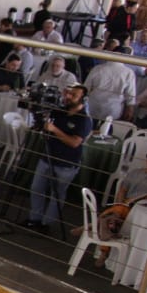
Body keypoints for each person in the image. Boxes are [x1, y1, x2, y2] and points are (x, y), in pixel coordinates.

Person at [24, 84, 93, 232]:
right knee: (37, 188)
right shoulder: (60, 111)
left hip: (66, 163)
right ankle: (34, 218)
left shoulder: (84, 120)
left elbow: (75, 142)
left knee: (57, 194)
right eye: (68, 93)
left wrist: (55, 130)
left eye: (73, 95)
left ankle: (46, 224)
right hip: (47, 155)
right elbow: (44, 125)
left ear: (82, 99)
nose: (68, 97)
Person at [91, 147, 147, 266]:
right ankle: (104, 252)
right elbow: (122, 189)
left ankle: (94, 225)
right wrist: (120, 202)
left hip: (142, 207)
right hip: (126, 206)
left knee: (112, 217)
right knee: (116, 213)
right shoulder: (136, 172)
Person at [85, 55, 137, 122]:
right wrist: (130, 109)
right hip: (113, 108)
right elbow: (130, 94)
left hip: (94, 105)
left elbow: (86, 87)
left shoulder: (97, 68)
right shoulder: (128, 72)